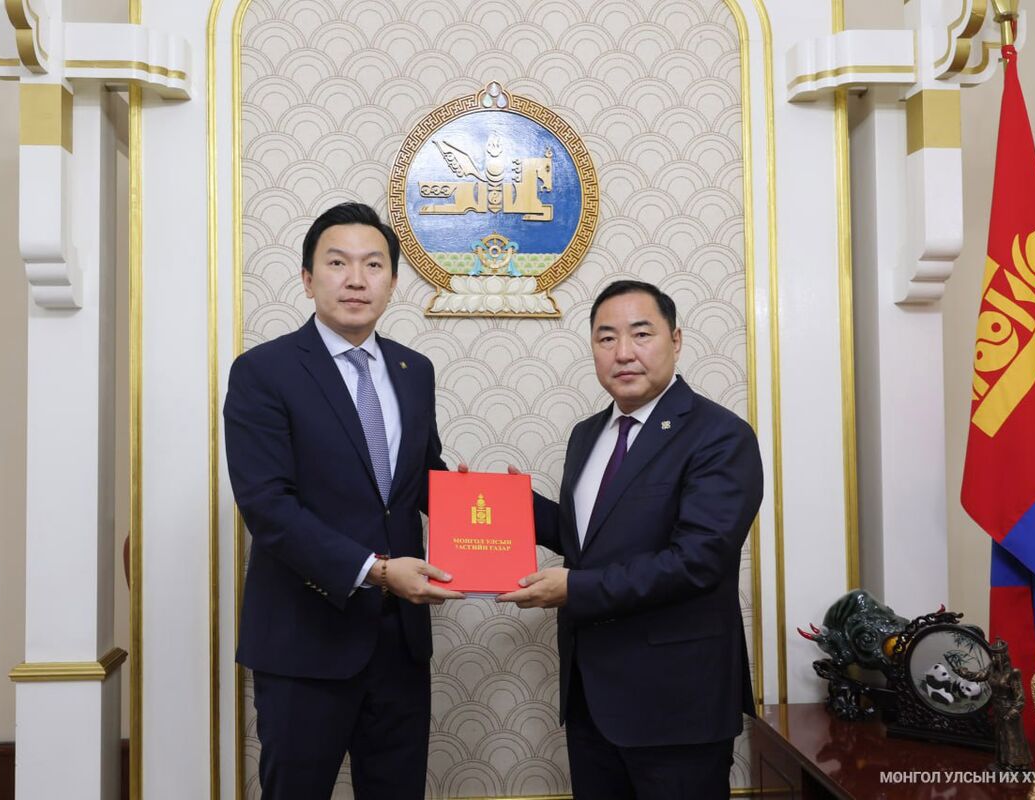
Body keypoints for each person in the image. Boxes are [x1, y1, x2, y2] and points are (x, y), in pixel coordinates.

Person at [223, 201, 463, 800]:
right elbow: (268, 508)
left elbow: (422, 480)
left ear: (393, 281)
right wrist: (376, 571)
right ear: (308, 279)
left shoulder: (414, 370)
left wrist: (511, 513)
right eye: (338, 263)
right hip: (305, 642)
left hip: (399, 646)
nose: (357, 279)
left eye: (373, 265)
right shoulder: (263, 372)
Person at [498, 279, 763, 800]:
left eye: (641, 334)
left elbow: (697, 561)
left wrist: (575, 589)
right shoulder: (587, 434)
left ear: (675, 340)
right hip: (591, 699)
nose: (623, 352)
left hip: (677, 704)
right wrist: (507, 507)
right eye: (606, 338)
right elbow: (588, 540)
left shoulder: (720, 435)